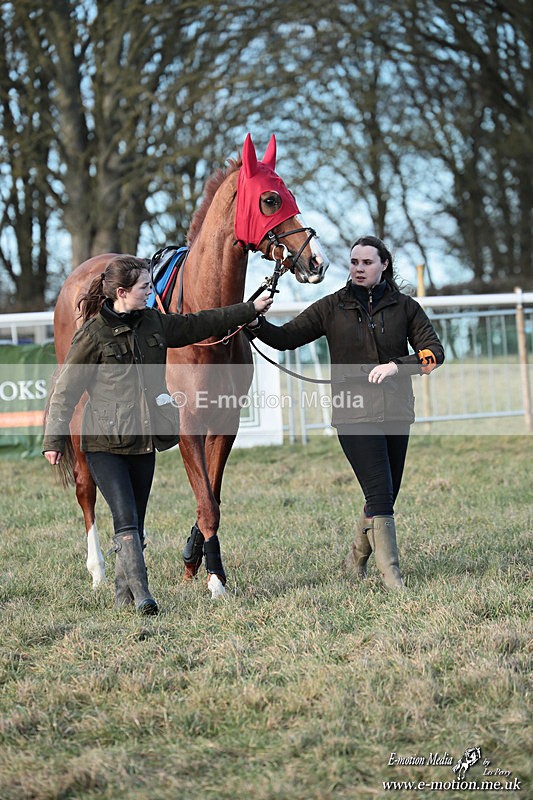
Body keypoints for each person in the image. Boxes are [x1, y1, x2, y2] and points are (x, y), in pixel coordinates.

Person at [43, 255, 272, 614]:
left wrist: (248, 309)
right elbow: (66, 390)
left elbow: (200, 323)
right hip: (103, 441)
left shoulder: (154, 323)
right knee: (126, 519)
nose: (152, 292)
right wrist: (54, 440)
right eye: (145, 288)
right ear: (122, 292)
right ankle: (144, 595)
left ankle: (123, 594)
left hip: (143, 441)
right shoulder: (92, 334)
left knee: (136, 519)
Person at [247, 235, 444, 589]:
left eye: (367, 262)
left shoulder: (406, 307)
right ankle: (393, 577)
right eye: (354, 262)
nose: (359, 268)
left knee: (383, 495)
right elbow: (286, 338)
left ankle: (355, 559)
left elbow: (433, 354)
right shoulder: (331, 307)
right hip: (353, 414)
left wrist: (398, 366)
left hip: (397, 413)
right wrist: (256, 324)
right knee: (381, 494)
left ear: (384, 265)